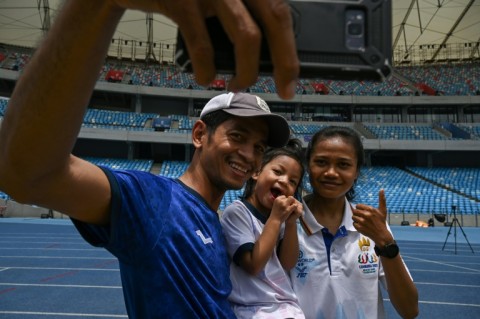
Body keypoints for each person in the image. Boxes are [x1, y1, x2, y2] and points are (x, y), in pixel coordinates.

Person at [0, 1, 298, 317]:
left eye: (259, 147)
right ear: (199, 135)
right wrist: (94, 7)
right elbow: (27, 174)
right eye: (237, 136)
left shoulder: (216, 220)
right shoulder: (155, 202)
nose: (249, 155)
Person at [290, 126, 419, 319]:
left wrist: (385, 242)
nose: (331, 172)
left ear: (357, 171)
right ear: (308, 165)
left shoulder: (372, 227)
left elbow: (409, 310)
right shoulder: (287, 223)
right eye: (321, 162)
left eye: (343, 164)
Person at [221, 138, 305, 319]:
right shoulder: (237, 213)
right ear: (257, 172)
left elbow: (287, 263)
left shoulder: (281, 219)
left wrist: (291, 223)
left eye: (293, 181)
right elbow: (253, 264)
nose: (284, 181)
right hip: (251, 308)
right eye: (277, 172)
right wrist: (275, 219)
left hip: (285, 306)